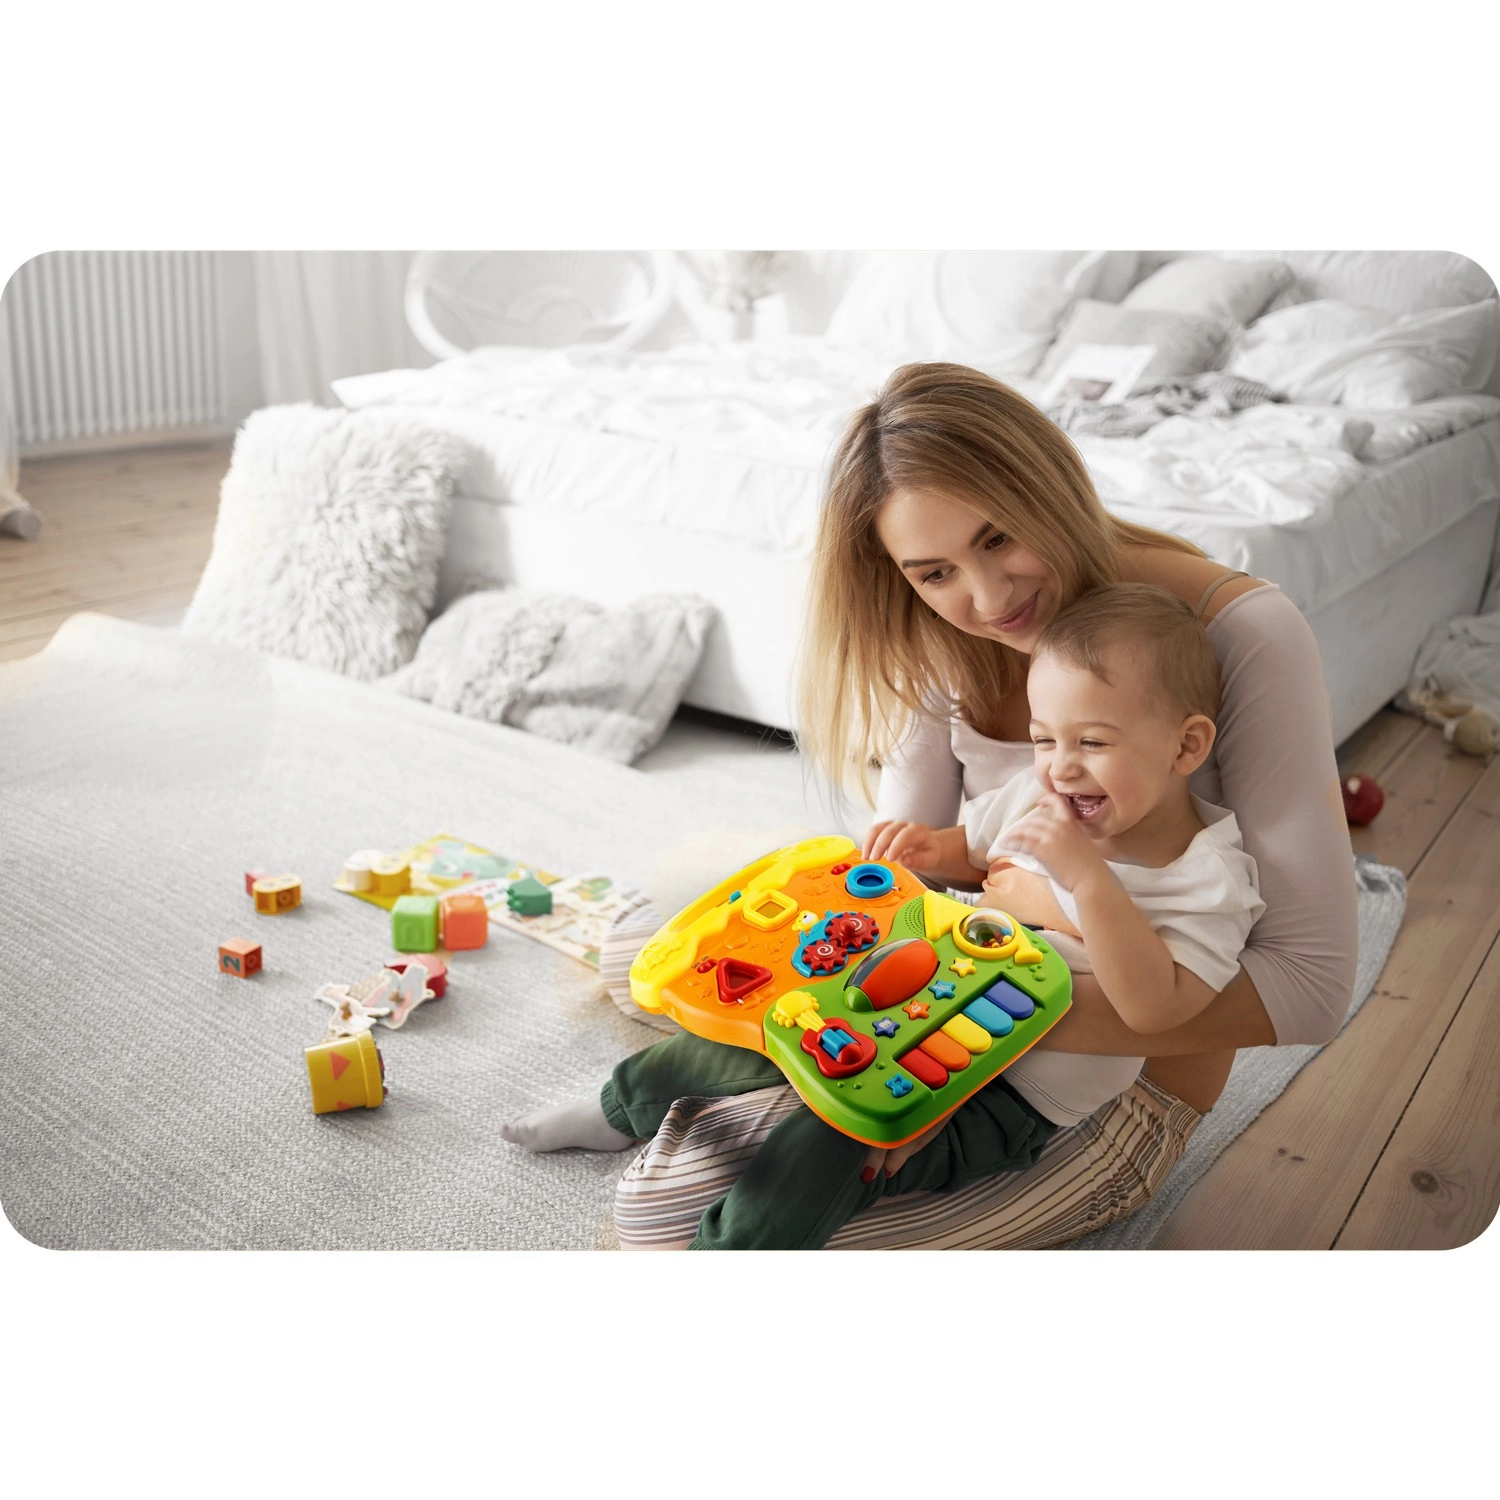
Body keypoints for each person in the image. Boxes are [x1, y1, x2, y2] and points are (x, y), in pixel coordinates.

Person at [600, 360, 1359, 1251]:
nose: (991, 598)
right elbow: (907, 876)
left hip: (1102, 1091)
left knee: (668, 1220)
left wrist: (950, 1036)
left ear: (1049, 484)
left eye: (1000, 537)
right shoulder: (950, 629)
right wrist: (880, 1011)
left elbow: (1312, 991)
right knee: (653, 953)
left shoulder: (1236, 632)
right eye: (934, 572)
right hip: (955, 1003)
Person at [872, 581, 1265, 1135]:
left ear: (1186, 746)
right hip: (925, 1020)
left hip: (1025, 1097)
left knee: (833, 1148)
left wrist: (1086, 878)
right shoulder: (1037, 795)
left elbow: (1154, 1011)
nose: (1060, 768)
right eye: (1043, 740)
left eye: (1093, 742)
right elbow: (979, 852)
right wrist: (932, 848)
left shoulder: (1208, 879)